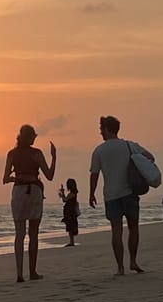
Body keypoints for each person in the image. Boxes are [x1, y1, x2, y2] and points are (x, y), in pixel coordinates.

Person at [89, 115, 155, 276]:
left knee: (116, 231)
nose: (100, 133)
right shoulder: (129, 145)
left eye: (101, 129)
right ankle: (133, 261)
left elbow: (94, 174)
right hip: (130, 193)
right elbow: (150, 157)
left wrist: (91, 194)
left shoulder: (99, 150)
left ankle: (120, 267)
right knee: (133, 228)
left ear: (106, 129)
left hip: (111, 195)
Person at [2, 124, 56, 282]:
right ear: (29, 137)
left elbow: (5, 178)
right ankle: (32, 272)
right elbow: (50, 175)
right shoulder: (36, 154)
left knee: (19, 234)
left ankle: (19, 274)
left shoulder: (12, 154)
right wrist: (54, 157)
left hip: (19, 192)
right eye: (33, 136)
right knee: (33, 233)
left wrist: (17, 177)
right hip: (34, 191)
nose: (34, 139)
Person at [58, 178, 79, 247]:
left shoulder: (71, 194)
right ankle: (72, 241)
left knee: (70, 226)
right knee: (71, 226)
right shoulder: (74, 194)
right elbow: (65, 200)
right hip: (71, 211)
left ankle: (71, 242)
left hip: (70, 212)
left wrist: (62, 194)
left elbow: (64, 200)